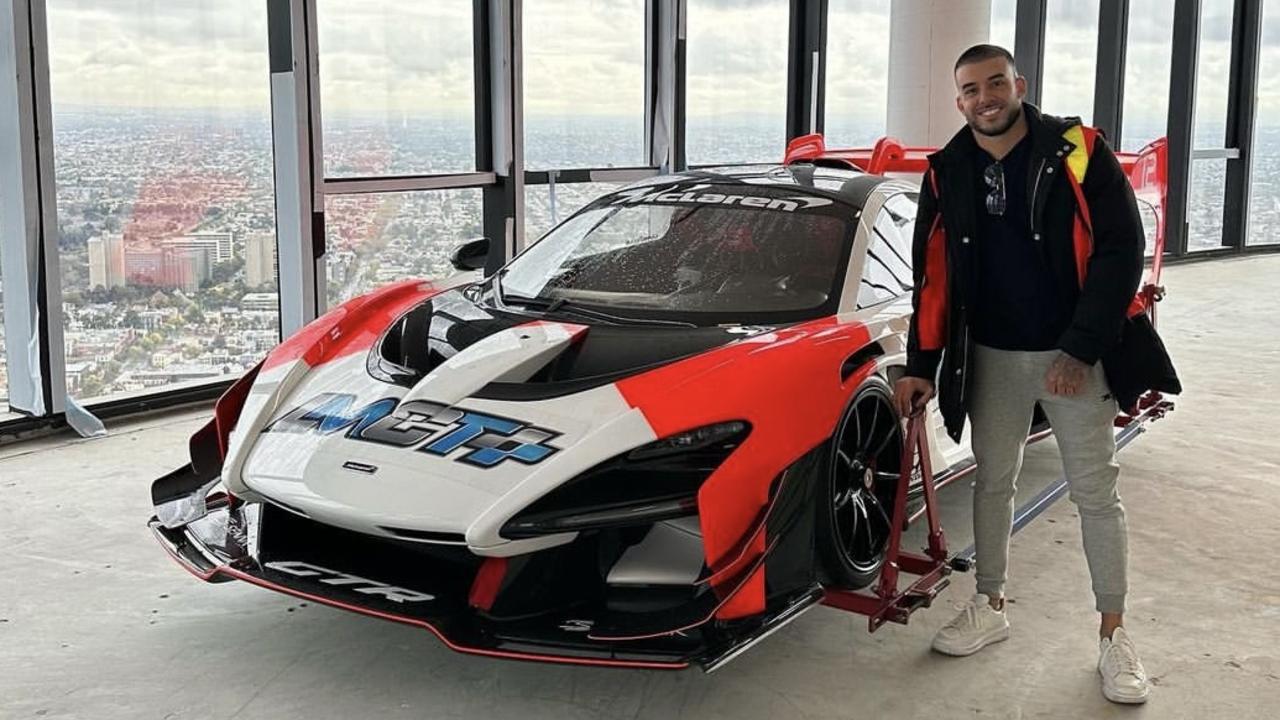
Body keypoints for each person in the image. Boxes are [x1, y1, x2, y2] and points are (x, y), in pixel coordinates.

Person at [893, 44, 1151, 704]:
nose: (986, 97)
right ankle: (990, 604)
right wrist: (922, 365)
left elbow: (1123, 251)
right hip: (991, 357)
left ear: (1019, 84)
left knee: (1096, 492)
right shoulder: (945, 169)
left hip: (1073, 357)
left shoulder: (1078, 148)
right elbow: (932, 274)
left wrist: (1080, 349)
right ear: (959, 101)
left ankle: (1114, 637)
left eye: (996, 82)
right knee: (992, 484)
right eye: (971, 88)